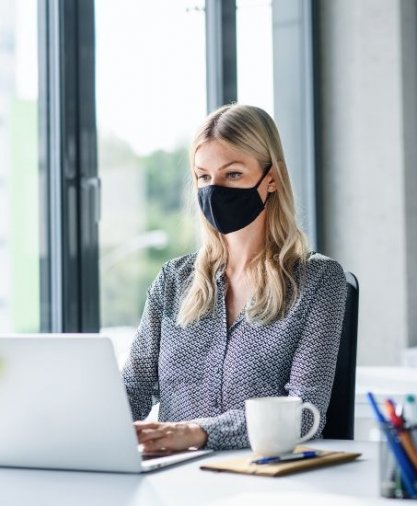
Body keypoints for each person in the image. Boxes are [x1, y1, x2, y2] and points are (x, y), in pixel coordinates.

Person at [121, 104, 348, 452]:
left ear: (271, 178)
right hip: (172, 477)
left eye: (233, 174)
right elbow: (133, 389)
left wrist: (198, 432)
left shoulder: (318, 281)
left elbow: (305, 412)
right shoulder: (172, 281)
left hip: (260, 481)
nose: (215, 189)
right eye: (204, 177)